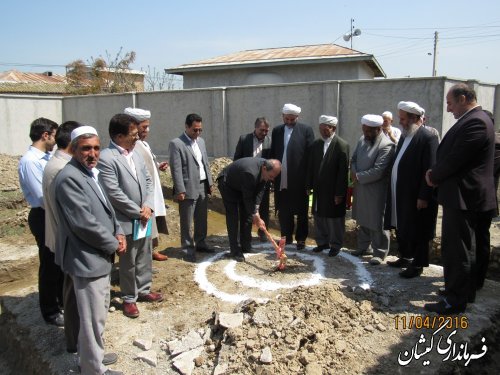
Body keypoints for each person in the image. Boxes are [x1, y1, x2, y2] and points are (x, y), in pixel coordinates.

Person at [54, 126, 124, 375]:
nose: (93, 153)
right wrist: (113, 243)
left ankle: (92, 358)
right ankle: (93, 370)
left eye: (96, 148)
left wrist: (117, 230)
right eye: (86, 148)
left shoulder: (88, 173)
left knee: (92, 316)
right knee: (93, 319)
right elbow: (84, 223)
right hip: (86, 258)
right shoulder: (69, 178)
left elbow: (106, 209)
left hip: (94, 254)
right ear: (73, 149)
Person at [425, 83, 496, 314]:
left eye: (450, 103)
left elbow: (457, 158)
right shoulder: (473, 120)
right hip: (461, 196)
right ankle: (458, 291)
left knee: (459, 250)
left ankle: (455, 300)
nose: (448, 109)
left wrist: (433, 175)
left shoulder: (476, 121)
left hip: (464, 196)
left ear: (464, 98)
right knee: (458, 248)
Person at [98, 114, 163, 319]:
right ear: (118, 136)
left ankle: (144, 289)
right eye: (133, 134)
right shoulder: (107, 158)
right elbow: (113, 193)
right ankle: (129, 298)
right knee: (128, 261)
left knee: (145, 254)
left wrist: (148, 206)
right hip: (125, 219)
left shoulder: (135, 153)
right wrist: (138, 211)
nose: (137, 137)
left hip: (144, 217)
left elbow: (148, 181)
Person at [18, 117, 64, 326]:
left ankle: (61, 301)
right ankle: (50, 310)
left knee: (59, 261)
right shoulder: (30, 162)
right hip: (44, 215)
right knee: (49, 264)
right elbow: (42, 196)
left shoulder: (45, 158)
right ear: (45, 135)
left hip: (53, 214)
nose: (55, 140)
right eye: (54, 135)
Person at [384, 102, 438, 278]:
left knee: (418, 229)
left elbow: (429, 169)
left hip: (416, 195)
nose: (400, 122)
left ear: (414, 119)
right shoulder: (405, 136)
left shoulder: (427, 137)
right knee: (402, 226)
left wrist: (424, 195)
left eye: (403, 119)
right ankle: (405, 257)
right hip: (400, 192)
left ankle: (418, 264)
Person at [42, 121, 82, 352]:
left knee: (71, 295)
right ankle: (78, 346)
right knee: (75, 299)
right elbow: (72, 215)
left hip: (65, 241)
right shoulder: (62, 170)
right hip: (70, 243)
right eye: (85, 146)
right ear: (73, 143)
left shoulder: (57, 163)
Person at [124, 107, 169, 261]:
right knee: (145, 225)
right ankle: (144, 256)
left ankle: (151, 250)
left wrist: (158, 166)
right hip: (142, 196)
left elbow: (147, 164)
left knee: (153, 223)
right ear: (133, 126)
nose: (147, 130)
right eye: (144, 127)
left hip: (151, 191)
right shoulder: (131, 147)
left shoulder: (143, 144)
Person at [169, 113, 214, 262]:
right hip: (187, 187)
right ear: (187, 127)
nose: (198, 133)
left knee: (202, 218)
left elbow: (205, 162)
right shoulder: (177, 143)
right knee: (187, 221)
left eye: (200, 130)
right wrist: (180, 189)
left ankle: (200, 243)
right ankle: (188, 249)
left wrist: (210, 183)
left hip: (202, 185)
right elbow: (176, 169)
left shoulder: (201, 142)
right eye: (195, 130)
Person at [351, 114, 395, 265]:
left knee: (377, 221)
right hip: (361, 187)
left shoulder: (386, 145)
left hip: (376, 190)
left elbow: (379, 171)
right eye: (364, 130)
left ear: (378, 129)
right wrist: (354, 172)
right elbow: (354, 159)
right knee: (363, 217)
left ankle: (380, 252)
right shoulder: (362, 140)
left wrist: (358, 176)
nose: (366, 134)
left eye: (369, 131)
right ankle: (364, 247)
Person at [217, 158, 281, 261]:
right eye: (271, 176)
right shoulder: (250, 173)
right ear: (264, 169)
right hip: (228, 183)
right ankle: (235, 250)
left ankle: (246, 245)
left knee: (248, 214)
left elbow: (260, 190)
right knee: (233, 216)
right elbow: (247, 198)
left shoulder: (266, 169)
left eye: (273, 177)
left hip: (242, 185)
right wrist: (256, 215)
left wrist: (256, 209)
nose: (271, 179)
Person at [270, 103, 314, 250]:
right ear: (282, 116)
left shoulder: (306, 130)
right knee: (284, 210)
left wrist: (309, 182)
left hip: (299, 180)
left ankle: (301, 239)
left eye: (292, 119)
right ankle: (286, 236)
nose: (289, 122)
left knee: (301, 211)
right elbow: (273, 153)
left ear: (297, 117)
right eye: (286, 119)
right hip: (281, 178)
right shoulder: (276, 131)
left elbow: (310, 158)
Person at [307, 115, 349, 257]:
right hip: (319, 189)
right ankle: (322, 242)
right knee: (319, 215)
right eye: (321, 129)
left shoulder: (341, 145)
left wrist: (339, 193)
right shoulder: (316, 144)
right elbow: (311, 166)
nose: (323, 132)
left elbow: (343, 172)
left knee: (334, 218)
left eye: (326, 130)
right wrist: (309, 185)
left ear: (333, 129)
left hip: (333, 190)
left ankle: (335, 244)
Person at [233, 117, 272, 242]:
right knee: (246, 207)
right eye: (262, 130)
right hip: (247, 179)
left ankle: (262, 232)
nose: (264, 133)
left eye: (266, 131)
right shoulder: (244, 139)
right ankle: (245, 233)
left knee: (264, 207)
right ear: (255, 128)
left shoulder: (270, 141)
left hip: (263, 180)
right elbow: (237, 159)